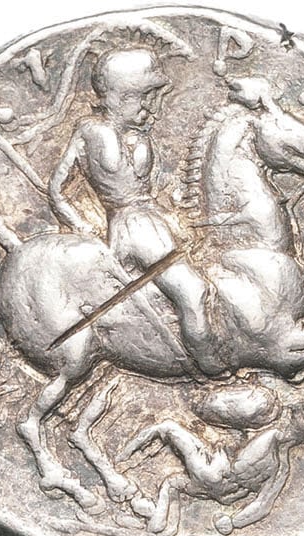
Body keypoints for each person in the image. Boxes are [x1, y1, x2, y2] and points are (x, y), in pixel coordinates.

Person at [48, 48, 223, 375]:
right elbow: (58, 190)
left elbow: (154, 188)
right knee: (195, 291)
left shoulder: (140, 135)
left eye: (152, 97)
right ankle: (212, 367)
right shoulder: (89, 131)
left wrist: (176, 211)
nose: (150, 107)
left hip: (154, 224)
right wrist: (79, 225)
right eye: (143, 97)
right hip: (130, 229)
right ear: (117, 95)